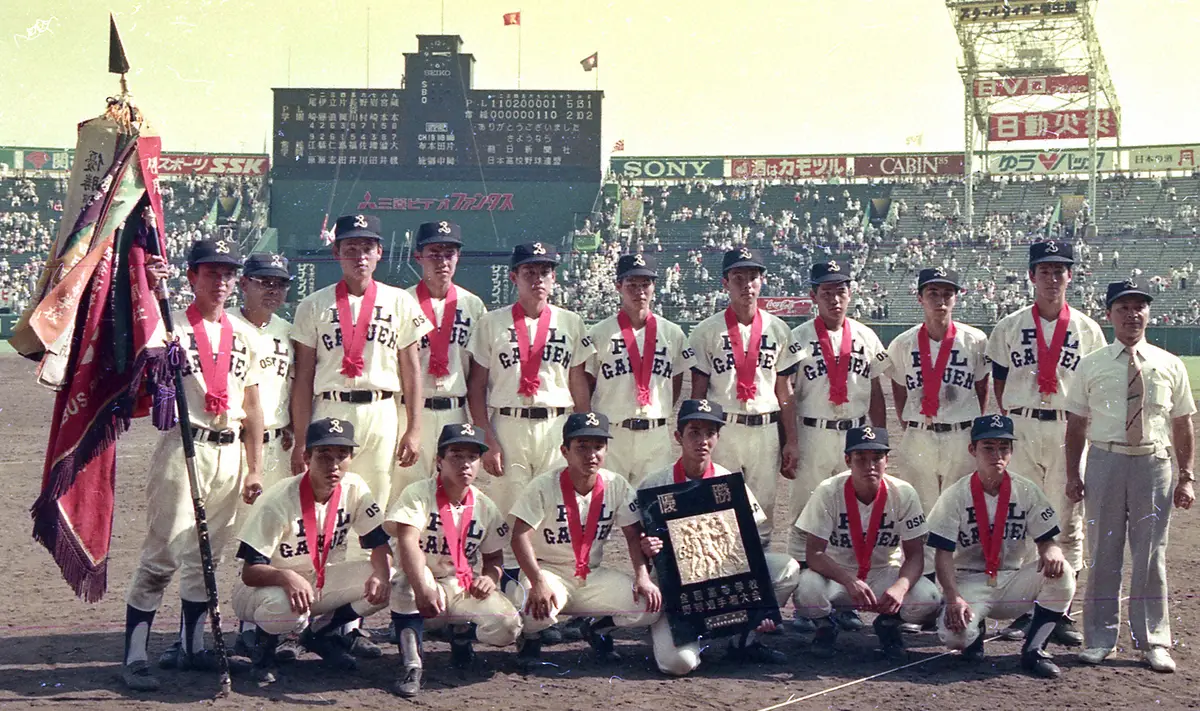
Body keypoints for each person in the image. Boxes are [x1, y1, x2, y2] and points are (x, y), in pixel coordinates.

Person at [122, 239, 265, 691]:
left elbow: (253, 406)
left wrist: (255, 466)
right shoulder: (169, 326)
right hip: (184, 447)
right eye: (211, 273)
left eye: (227, 274)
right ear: (192, 277)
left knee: (208, 557)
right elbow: (137, 343)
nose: (220, 282)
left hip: (229, 453)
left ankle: (193, 646)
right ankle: (135, 656)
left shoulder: (245, 334)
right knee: (163, 553)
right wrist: (150, 290)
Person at [1065, 279, 1196, 672]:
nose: (1132, 315)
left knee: (1150, 555)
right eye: (1123, 308)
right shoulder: (1092, 364)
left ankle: (1153, 641)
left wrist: (1186, 476)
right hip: (1105, 460)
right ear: (1109, 315)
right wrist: (1073, 474)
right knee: (1103, 553)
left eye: (1139, 307)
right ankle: (1099, 639)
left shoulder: (1168, 363)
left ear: (1149, 313)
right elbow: (1076, 425)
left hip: (1153, 463)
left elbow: (1182, 423)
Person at [984, 240, 1104, 644]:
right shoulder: (1009, 326)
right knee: (1019, 518)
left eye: (1059, 270)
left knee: (1067, 519)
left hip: (1068, 428)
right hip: (1021, 426)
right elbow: (1000, 381)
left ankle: (1059, 610)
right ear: (1031, 276)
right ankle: (1024, 609)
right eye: (1045, 271)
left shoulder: (1087, 329)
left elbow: (1093, 386)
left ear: (1070, 276)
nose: (1052, 278)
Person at [639, 399, 801, 674]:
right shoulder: (655, 484)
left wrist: (759, 606)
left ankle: (743, 639)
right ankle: (672, 628)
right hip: (675, 587)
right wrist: (646, 546)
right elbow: (640, 543)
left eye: (710, 433)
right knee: (679, 664)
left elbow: (750, 543)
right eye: (694, 432)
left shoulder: (730, 482)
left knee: (787, 568)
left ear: (718, 438)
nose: (702, 441)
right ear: (678, 436)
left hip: (722, 577)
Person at [466, 242, 592, 589]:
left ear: (554, 278)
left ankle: (551, 587)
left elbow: (578, 381)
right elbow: (477, 387)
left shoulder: (571, 322)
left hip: (557, 424)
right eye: (529, 272)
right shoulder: (491, 323)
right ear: (514, 277)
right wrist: (487, 439)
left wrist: (582, 436)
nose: (538, 279)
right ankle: (509, 588)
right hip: (509, 424)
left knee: (555, 507)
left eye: (545, 272)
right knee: (509, 508)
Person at [231, 417, 392, 684]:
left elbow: (379, 545)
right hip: (262, 589)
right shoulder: (278, 499)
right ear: (306, 457)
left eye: (342, 455)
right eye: (324, 455)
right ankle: (263, 652)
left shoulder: (354, 488)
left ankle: (319, 634)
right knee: (283, 605)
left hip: (315, 581)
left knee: (392, 579)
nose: (334, 465)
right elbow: (250, 573)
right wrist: (286, 577)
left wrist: (382, 574)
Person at [508, 412, 661, 670]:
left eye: (598, 447)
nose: (591, 454)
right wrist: (537, 580)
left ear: (606, 450)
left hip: (591, 575)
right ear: (565, 451)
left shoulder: (616, 484)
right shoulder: (544, 485)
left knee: (650, 606)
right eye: (582, 447)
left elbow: (633, 535)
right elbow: (519, 536)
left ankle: (597, 627)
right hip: (550, 571)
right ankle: (530, 637)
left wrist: (642, 576)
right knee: (532, 606)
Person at [928, 415, 1076, 679]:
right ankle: (974, 633)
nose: (997, 455)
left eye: (1004, 448)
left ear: (1011, 451)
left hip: (1012, 580)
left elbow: (1046, 539)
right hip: (969, 582)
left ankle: (1035, 650)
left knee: (1063, 570)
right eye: (988, 447)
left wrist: (1050, 549)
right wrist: (952, 597)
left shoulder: (1026, 490)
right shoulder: (955, 495)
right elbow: (943, 554)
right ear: (972, 450)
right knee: (954, 638)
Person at [384, 423, 521, 697]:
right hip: (422, 579)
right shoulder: (418, 493)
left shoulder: (485, 505)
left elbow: (494, 557)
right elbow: (408, 541)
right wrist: (422, 588)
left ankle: (459, 634)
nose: (465, 463)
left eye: (472, 457)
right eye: (456, 455)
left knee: (508, 627)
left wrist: (489, 578)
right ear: (439, 461)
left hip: (460, 585)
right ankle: (412, 666)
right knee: (405, 585)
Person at [787, 258, 888, 631]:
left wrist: (880, 438)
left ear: (850, 294)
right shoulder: (798, 337)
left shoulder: (866, 336)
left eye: (841, 291)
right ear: (813, 295)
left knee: (849, 515)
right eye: (826, 291)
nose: (834, 298)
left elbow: (876, 390)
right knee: (806, 514)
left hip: (855, 436)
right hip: (813, 432)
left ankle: (843, 602)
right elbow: (787, 393)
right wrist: (790, 441)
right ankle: (807, 606)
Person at [791, 426, 940, 660]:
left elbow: (915, 555)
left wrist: (899, 588)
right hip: (837, 576)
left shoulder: (903, 492)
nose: (870, 465)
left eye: (877, 458)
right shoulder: (828, 490)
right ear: (847, 460)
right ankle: (826, 625)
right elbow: (814, 554)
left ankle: (888, 624)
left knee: (929, 598)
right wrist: (850, 581)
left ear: (887, 460)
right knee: (806, 589)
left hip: (883, 572)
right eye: (861, 458)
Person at [686, 247, 801, 535]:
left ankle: (761, 562)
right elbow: (698, 391)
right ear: (725, 282)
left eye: (753, 277)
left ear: (762, 281)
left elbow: (785, 390)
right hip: (724, 428)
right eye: (738, 277)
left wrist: (791, 440)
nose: (746, 285)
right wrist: (695, 435)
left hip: (765, 430)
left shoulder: (779, 329)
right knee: (718, 508)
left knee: (763, 512)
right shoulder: (705, 331)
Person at [884, 268, 989, 574]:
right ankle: (926, 579)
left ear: (956, 298)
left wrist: (973, 426)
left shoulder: (975, 340)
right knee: (920, 509)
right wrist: (912, 424)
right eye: (932, 293)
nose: (940, 300)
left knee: (961, 507)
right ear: (920, 298)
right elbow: (899, 389)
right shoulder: (903, 343)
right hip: (920, 435)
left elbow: (981, 387)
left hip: (961, 433)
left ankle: (960, 577)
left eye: (947, 294)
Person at [394, 221, 486, 495]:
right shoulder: (401, 302)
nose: (442, 261)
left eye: (449, 254)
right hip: (410, 412)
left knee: (454, 492)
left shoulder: (472, 305)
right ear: (418, 256)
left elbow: (478, 371)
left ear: (458, 257)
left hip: (456, 410)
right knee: (405, 490)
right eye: (434, 254)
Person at [585, 253, 687, 484]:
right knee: (610, 497)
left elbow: (676, 382)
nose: (639, 291)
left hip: (655, 433)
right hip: (612, 432)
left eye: (645, 284)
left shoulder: (672, 333)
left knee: (654, 497)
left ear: (654, 287)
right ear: (618, 286)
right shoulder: (599, 333)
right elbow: (588, 382)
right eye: (631, 284)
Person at [230, 253, 295, 491]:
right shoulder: (225, 323)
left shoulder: (287, 331)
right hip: (235, 443)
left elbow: (292, 388)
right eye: (265, 283)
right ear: (244, 283)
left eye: (281, 284)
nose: (273, 290)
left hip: (278, 444)